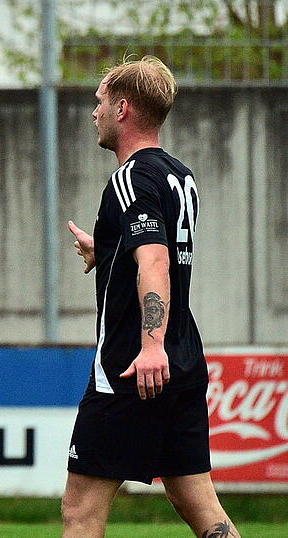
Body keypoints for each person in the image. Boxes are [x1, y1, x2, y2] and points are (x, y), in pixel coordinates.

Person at [62, 56, 238, 538]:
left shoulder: (130, 177)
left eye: (98, 102)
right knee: (201, 506)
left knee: (81, 511)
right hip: (183, 361)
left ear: (122, 109)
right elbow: (159, 249)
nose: (92, 112)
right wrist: (109, 248)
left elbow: (155, 260)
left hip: (134, 365)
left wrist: (150, 345)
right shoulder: (179, 175)